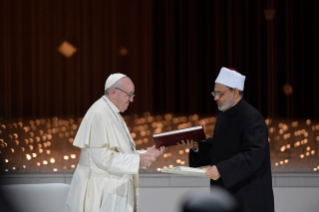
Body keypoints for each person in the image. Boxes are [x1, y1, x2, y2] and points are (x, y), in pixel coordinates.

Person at [65, 73, 165, 212]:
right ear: (113, 92)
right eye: (128, 95)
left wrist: (147, 154)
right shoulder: (100, 113)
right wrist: (137, 161)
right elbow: (102, 158)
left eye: (132, 95)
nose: (131, 100)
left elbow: (119, 152)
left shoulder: (111, 112)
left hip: (111, 189)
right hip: (100, 191)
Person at [180, 67, 274, 212]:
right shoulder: (224, 114)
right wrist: (197, 148)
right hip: (226, 192)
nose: (215, 98)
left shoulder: (251, 117)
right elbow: (221, 147)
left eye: (219, 93)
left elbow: (253, 155)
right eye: (214, 93)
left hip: (248, 197)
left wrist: (222, 169)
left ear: (235, 92)